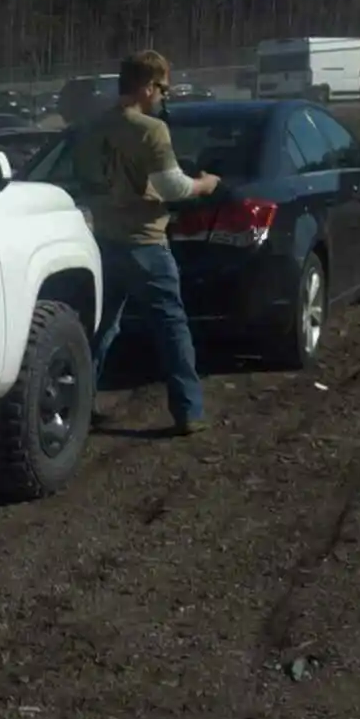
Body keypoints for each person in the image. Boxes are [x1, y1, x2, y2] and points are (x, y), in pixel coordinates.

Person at [73, 50, 221, 436]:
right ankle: (188, 411)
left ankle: (78, 406)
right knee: (171, 327)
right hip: (147, 244)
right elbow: (173, 187)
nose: (164, 97)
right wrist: (204, 184)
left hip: (104, 240)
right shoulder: (151, 130)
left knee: (101, 329)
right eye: (163, 89)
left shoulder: (94, 126)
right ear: (146, 87)